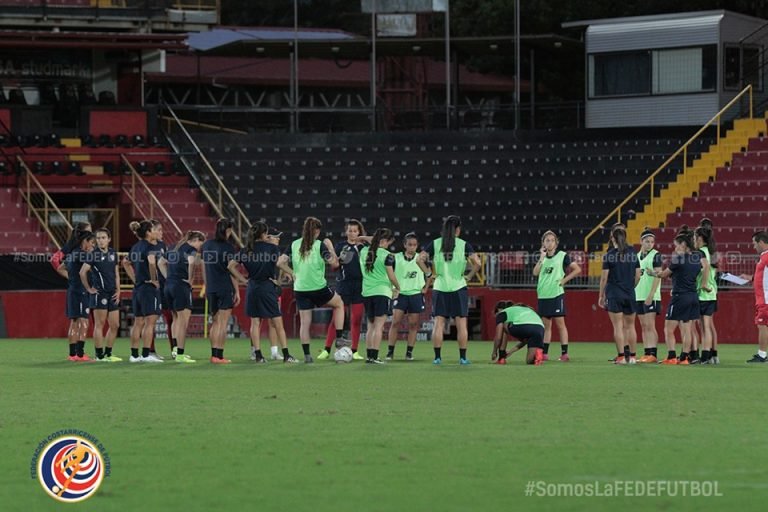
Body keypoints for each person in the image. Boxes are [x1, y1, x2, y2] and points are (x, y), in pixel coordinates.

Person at [418, 215, 481, 365]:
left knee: (438, 323)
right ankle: (463, 358)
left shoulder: (435, 244)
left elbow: (419, 259)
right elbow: (477, 263)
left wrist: (429, 273)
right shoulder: (464, 245)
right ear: (458, 230)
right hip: (458, 287)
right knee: (461, 324)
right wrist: (469, 276)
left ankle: (437, 357)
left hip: (440, 287)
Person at [290, 217, 346, 363]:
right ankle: (339, 338)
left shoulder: (294, 244)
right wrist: (330, 247)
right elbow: (334, 263)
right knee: (339, 303)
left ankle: (307, 356)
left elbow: (280, 262)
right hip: (318, 288)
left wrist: (292, 273)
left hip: (300, 289)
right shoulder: (320, 245)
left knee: (305, 323)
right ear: (317, 231)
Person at [240, 222, 298, 364]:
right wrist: (293, 273)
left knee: (255, 323)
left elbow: (230, 266)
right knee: (278, 322)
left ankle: (258, 355)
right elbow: (279, 263)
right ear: (264, 235)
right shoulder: (271, 248)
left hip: (252, 286)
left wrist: (244, 280)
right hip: (267, 286)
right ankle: (286, 355)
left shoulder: (246, 249)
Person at [654, 230, 710, 365]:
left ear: (684, 244)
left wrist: (653, 273)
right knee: (687, 329)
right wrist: (703, 284)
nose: (675, 248)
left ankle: (671, 356)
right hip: (693, 296)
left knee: (668, 328)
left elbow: (663, 274)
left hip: (680, 296)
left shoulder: (678, 259)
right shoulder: (696, 258)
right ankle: (685, 357)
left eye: (677, 245)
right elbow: (705, 268)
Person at [319, 219, 370, 361]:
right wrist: (339, 259)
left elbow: (376, 242)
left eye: (355, 231)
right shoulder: (340, 246)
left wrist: (362, 239)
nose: (352, 233)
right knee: (336, 319)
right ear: (346, 231)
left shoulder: (363, 247)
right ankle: (326, 349)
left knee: (357, 319)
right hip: (343, 285)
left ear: (359, 232)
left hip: (360, 286)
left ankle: (354, 351)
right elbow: (334, 267)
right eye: (350, 230)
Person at [201, 218, 248, 364]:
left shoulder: (206, 245)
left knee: (215, 323)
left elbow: (203, 266)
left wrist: (207, 284)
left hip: (211, 288)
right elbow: (231, 270)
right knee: (222, 323)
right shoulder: (229, 248)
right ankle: (219, 356)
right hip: (224, 288)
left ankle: (213, 354)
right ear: (228, 230)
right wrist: (239, 289)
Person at [532, 230, 581, 361]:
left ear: (556, 243)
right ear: (543, 243)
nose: (549, 243)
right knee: (546, 326)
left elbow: (577, 269)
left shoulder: (562, 256)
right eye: (547, 240)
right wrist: (541, 258)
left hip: (556, 294)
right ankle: (545, 353)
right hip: (543, 294)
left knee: (560, 324)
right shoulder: (542, 258)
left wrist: (564, 280)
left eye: (552, 240)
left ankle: (564, 353)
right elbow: (535, 273)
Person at [598, 226, 641, 364]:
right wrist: (630, 286)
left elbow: (604, 278)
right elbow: (638, 275)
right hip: (629, 293)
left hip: (614, 294)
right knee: (630, 326)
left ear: (612, 239)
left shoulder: (609, 255)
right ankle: (633, 357)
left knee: (618, 326)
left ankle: (621, 357)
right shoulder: (633, 253)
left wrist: (601, 295)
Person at [79, 228, 121, 362]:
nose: (100, 240)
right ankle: (99, 355)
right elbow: (82, 272)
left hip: (112, 293)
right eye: (98, 238)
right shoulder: (93, 254)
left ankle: (108, 353)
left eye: (103, 238)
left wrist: (118, 290)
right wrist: (89, 289)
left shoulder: (113, 253)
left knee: (115, 325)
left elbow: (116, 273)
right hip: (100, 293)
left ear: (109, 239)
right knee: (100, 324)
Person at [124, 220, 164, 363]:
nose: (156, 231)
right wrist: (153, 279)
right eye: (154, 229)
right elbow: (152, 262)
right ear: (148, 232)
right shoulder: (150, 246)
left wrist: (135, 279)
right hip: (149, 289)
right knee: (150, 323)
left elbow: (125, 262)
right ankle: (146, 354)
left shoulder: (136, 246)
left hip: (138, 288)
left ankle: (134, 355)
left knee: (138, 322)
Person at [386, 232, 430, 361]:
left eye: (414, 245)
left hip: (415, 294)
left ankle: (409, 352)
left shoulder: (420, 259)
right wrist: (392, 289)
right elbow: (389, 274)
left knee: (413, 324)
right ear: (405, 245)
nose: (412, 247)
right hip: (401, 294)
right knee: (395, 323)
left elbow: (429, 274)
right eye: (409, 244)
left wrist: (425, 288)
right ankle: (390, 352)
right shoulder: (396, 258)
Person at [359, 228, 400, 364]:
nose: (389, 245)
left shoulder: (364, 251)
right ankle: (375, 356)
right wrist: (398, 287)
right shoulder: (387, 255)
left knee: (370, 326)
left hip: (367, 292)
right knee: (379, 326)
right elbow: (391, 276)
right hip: (382, 292)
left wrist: (372, 239)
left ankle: (369, 356)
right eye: (388, 242)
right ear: (384, 241)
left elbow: (359, 239)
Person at [165, 230, 206, 363]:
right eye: (200, 244)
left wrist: (169, 277)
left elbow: (160, 262)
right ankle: (181, 354)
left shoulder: (173, 247)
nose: (200, 247)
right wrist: (190, 279)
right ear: (196, 240)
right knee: (183, 321)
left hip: (169, 286)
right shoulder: (190, 249)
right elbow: (192, 262)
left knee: (176, 319)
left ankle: (175, 351)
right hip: (181, 286)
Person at [62, 230, 96, 361]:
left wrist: (71, 279)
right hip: (81, 291)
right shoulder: (83, 255)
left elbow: (60, 267)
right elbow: (87, 271)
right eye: (92, 242)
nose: (93, 246)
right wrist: (88, 287)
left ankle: (72, 354)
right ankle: (80, 354)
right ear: (85, 242)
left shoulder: (72, 254)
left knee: (74, 322)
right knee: (84, 321)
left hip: (72, 290)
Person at [635, 228, 662, 363]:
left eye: (652, 242)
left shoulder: (656, 255)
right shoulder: (637, 256)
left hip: (651, 295)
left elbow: (658, 276)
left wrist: (651, 295)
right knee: (643, 325)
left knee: (651, 325)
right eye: (647, 241)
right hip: (639, 294)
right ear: (641, 241)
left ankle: (653, 353)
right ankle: (646, 352)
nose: (650, 244)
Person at [740, 231, 768, 363]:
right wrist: (750, 278)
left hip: (765, 299)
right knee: (762, 326)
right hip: (762, 298)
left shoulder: (767, 257)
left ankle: (762, 355)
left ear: (761, 242)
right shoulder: (764, 257)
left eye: (754, 243)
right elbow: (762, 277)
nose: (753, 246)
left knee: (762, 325)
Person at [491, 301, 545, 365]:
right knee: (529, 361)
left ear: (498, 310)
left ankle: (501, 358)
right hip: (540, 328)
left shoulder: (502, 313)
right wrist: (511, 351)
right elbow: (525, 341)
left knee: (503, 326)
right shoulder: (525, 310)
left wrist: (494, 352)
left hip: (524, 326)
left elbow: (498, 337)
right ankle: (538, 356)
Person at [695, 226, 718, 364]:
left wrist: (703, 284)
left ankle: (704, 355)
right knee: (707, 326)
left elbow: (706, 268)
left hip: (703, 294)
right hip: (711, 294)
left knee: (703, 326)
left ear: (699, 238)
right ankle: (708, 355)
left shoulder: (700, 252)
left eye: (694, 237)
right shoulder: (708, 251)